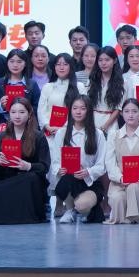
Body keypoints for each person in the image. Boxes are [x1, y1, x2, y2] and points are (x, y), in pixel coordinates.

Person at [0, 97, 50, 224]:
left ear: (29, 114)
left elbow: (44, 166)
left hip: (28, 182)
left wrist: (28, 166)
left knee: (31, 178)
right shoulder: (2, 136)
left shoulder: (38, 137)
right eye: (13, 112)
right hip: (6, 180)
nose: (17, 116)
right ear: (9, 114)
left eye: (22, 112)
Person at [50, 95, 108, 224]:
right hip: (68, 180)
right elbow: (55, 161)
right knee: (64, 182)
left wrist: (88, 172)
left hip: (89, 182)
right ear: (70, 110)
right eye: (75, 108)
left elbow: (101, 165)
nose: (78, 112)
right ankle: (70, 209)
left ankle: (88, 210)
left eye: (83, 108)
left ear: (89, 111)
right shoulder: (61, 133)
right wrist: (59, 169)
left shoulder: (98, 134)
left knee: (82, 205)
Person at [103, 98, 139, 224]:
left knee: (134, 188)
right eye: (126, 111)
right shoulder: (113, 135)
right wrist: (120, 178)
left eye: (134, 111)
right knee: (117, 198)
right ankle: (126, 218)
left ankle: (136, 217)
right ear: (122, 114)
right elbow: (110, 162)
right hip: (119, 183)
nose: (130, 115)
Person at [0, 49, 39, 163]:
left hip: (27, 128)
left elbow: (37, 108)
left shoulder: (31, 84)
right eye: (12, 61)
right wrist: (0, 106)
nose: (15, 65)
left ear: (25, 63)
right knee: (7, 160)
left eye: (19, 61)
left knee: (26, 157)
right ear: (7, 63)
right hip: (5, 128)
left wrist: (25, 109)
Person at [37, 53, 79, 145]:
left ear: (71, 67)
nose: (61, 67)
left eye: (65, 64)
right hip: (49, 132)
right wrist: (47, 126)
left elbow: (81, 110)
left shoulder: (79, 87)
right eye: (58, 64)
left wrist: (64, 128)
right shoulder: (47, 86)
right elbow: (41, 110)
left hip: (71, 132)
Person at [88, 46, 126, 135]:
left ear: (115, 60)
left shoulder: (122, 82)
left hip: (110, 123)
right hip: (92, 120)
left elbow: (118, 108)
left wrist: (105, 126)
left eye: (107, 60)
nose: (103, 63)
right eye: (100, 60)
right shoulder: (93, 79)